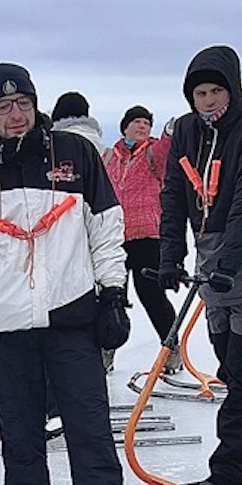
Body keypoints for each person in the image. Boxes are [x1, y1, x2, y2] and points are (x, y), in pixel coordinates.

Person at [0, 63, 160, 485]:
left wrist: (113, 296)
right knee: (20, 439)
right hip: (7, 331)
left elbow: (106, 230)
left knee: (91, 435)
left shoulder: (76, 156)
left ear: (35, 105)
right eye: (3, 107)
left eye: (22, 104)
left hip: (71, 322)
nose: (15, 115)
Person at [159, 45, 242, 485]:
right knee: (232, 369)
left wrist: (229, 264)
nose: (209, 100)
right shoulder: (186, 130)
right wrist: (170, 256)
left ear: (232, 89)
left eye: (216, 91)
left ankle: (229, 468)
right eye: (200, 93)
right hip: (211, 267)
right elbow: (173, 195)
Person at [103, 105, 177, 366]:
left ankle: (171, 349)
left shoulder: (153, 152)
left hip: (147, 236)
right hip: (114, 237)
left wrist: (169, 132)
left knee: (152, 295)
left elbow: (167, 149)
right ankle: (107, 350)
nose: (143, 126)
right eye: (137, 121)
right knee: (112, 297)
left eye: (147, 122)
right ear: (125, 127)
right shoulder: (109, 156)